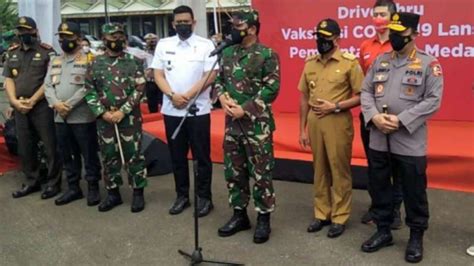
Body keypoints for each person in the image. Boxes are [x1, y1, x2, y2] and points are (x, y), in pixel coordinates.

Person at [360, 12, 444, 263]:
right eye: (392, 32)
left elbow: (433, 100)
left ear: (414, 34)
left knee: (413, 190)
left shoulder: (429, 64)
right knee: (380, 186)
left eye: (400, 34)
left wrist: (401, 119)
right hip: (378, 137)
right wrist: (374, 116)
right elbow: (365, 91)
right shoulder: (380, 61)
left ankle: (416, 236)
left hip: (409, 140)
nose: (394, 37)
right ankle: (383, 230)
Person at [215, 9, 280, 244]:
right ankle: (239, 215)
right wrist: (222, 97)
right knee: (234, 172)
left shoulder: (267, 54)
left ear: (252, 29)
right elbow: (219, 80)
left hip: (257, 127)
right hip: (232, 125)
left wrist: (246, 109)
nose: (233, 29)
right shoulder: (228, 53)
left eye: (238, 25)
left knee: (261, 173)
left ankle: (264, 218)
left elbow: (271, 88)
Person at [298, 18, 363, 238]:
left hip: (337, 121)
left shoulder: (349, 63)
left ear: (337, 39)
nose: (321, 41)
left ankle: (340, 216)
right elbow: (304, 97)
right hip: (315, 122)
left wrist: (335, 106)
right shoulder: (310, 63)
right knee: (319, 169)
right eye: (318, 37)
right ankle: (322, 213)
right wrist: (302, 129)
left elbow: (361, 96)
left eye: (325, 37)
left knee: (339, 168)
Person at [152, 5, 218, 217]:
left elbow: (211, 75)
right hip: (172, 110)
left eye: (186, 22)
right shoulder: (164, 44)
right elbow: (158, 75)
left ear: (194, 22)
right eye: (178, 22)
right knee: (177, 156)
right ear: (173, 24)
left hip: (198, 111)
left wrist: (187, 95)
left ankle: (204, 198)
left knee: (202, 157)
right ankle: (182, 196)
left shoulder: (205, 44)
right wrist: (173, 96)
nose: (182, 25)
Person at [85, 23, 147, 213]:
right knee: (108, 155)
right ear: (104, 39)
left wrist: (123, 111)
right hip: (105, 118)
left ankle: (138, 192)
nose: (116, 41)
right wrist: (103, 113)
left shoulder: (133, 61)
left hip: (129, 118)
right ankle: (113, 193)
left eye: (120, 37)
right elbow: (89, 90)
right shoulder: (95, 64)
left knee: (133, 154)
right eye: (112, 38)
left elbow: (139, 88)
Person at [3, 16, 62, 200]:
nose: (24, 34)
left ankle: (53, 183)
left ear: (35, 32)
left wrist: (33, 101)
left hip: (42, 106)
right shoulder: (12, 53)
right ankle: (31, 181)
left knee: (50, 145)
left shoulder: (47, 52)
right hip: (19, 106)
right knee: (25, 146)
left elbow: (50, 81)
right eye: (20, 31)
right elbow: (8, 79)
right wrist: (13, 101)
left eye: (27, 30)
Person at [44, 22, 102, 206]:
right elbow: (47, 86)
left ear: (78, 38)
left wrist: (68, 104)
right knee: (67, 153)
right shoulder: (55, 60)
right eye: (60, 37)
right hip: (60, 117)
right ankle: (73, 188)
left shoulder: (90, 59)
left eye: (67, 37)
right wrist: (55, 104)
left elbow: (89, 86)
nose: (63, 41)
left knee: (89, 153)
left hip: (83, 117)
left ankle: (93, 187)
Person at [359, 0, 403, 229]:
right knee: (375, 164)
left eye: (382, 14)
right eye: (375, 14)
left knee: (396, 165)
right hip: (369, 115)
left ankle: (394, 209)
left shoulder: (399, 44)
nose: (378, 18)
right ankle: (377, 206)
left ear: (393, 17)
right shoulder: (366, 46)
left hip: (394, 115)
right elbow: (363, 83)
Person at [143, 33, 162, 113]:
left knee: (162, 99)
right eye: (149, 40)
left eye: (153, 40)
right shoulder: (143, 53)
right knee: (151, 100)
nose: (151, 42)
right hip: (150, 80)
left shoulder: (160, 52)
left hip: (161, 79)